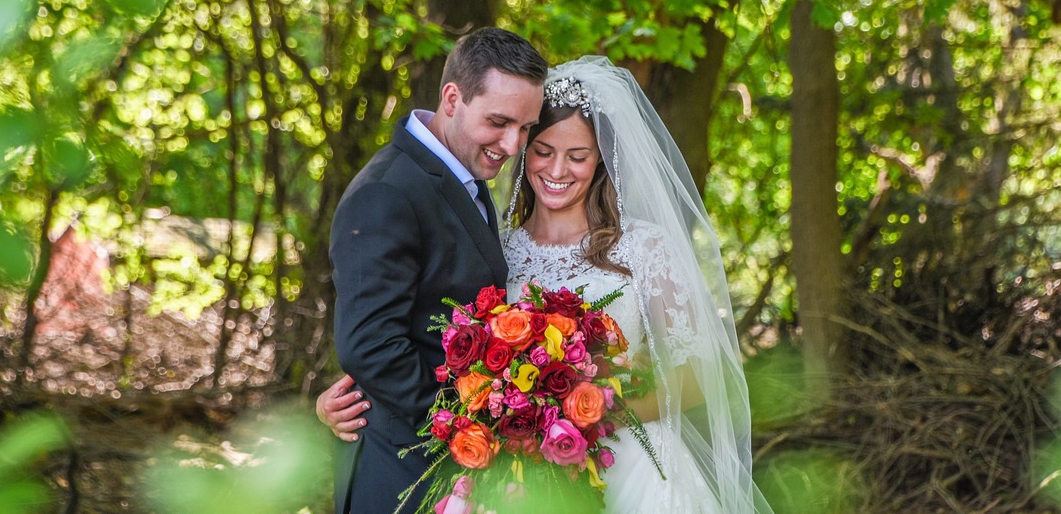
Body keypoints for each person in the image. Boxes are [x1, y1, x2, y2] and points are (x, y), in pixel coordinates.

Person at [322, 56, 772, 513]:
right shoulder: (499, 250)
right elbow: (418, 333)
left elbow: (701, 374)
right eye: (543, 151)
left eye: (578, 156)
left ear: (601, 161)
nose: (558, 170)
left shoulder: (645, 248)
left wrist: (594, 413)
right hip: (516, 471)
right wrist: (348, 395)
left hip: (628, 463)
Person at [327, 27, 547, 514]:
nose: (513, 144)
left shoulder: (460, 171)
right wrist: (474, 426)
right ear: (453, 98)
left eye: (526, 127)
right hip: (402, 470)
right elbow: (370, 346)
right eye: (499, 122)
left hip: (447, 467)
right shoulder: (387, 192)